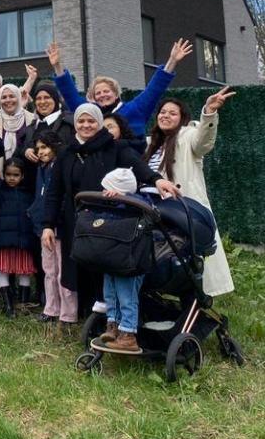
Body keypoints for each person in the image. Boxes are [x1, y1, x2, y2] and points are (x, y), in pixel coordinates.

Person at [41, 103, 179, 317]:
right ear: (75, 123)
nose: (86, 125)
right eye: (81, 121)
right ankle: (87, 316)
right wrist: (48, 225)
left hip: (106, 220)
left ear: (99, 123)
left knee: (102, 267)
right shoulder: (66, 152)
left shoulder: (114, 147)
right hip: (74, 220)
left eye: (91, 121)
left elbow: (137, 166)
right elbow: (54, 192)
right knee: (78, 266)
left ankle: (110, 318)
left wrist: (157, 180)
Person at [143, 87, 235, 296]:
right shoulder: (149, 143)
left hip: (183, 211)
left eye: (172, 113)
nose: (165, 116)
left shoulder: (188, 136)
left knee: (189, 258)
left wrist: (209, 111)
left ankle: (194, 297)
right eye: (163, 112)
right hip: (154, 210)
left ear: (182, 118)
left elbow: (203, 142)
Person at [46, 38, 194, 136]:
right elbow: (70, 94)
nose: (102, 95)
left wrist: (172, 61)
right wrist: (57, 65)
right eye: (98, 93)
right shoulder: (90, 113)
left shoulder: (134, 109)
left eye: (106, 91)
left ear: (116, 94)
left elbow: (154, 89)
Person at [93, 167, 152, 353]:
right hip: (114, 259)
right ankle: (114, 324)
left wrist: (121, 200)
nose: (103, 193)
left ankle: (128, 334)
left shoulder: (135, 205)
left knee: (126, 296)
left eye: (107, 189)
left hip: (131, 261)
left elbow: (142, 211)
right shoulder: (111, 206)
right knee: (110, 292)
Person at [26, 131, 76, 325]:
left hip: (61, 225)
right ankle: (51, 308)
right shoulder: (41, 168)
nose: (41, 152)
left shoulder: (62, 166)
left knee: (64, 270)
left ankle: (68, 313)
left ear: (55, 146)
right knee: (49, 270)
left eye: (45, 147)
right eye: (38, 148)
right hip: (43, 226)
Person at [0, 159, 37, 318]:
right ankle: (8, 306)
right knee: (3, 271)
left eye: (16, 175)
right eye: (8, 174)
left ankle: (22, 305)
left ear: (22, 176)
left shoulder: (28, 193)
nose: (12, 178)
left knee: (24, 272)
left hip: (23, 241)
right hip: (3, 240)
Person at [15, 81, 75, 170]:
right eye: (38, 98)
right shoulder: (31, 127)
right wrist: (26, 151)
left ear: (55, 99)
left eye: (47, 97)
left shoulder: (68, 123)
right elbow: (18, 151)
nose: (42, 102)